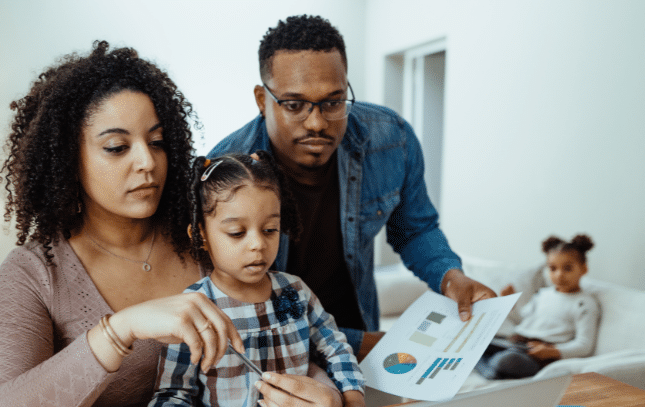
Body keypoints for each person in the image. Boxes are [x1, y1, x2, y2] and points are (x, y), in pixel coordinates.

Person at [0, 41, 346, 407]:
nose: (148, 162)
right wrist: (120, 329)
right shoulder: (35, 272)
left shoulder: (209, 236)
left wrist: (323, 393)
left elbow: (283, 336)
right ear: (68, 158)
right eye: (116, 147)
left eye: (158, 141)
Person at [208, 15, 495, 360]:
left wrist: (450, 277)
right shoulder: (224, 171)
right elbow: (232, 299)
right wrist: (364, 345)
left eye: (333, 101)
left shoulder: (391, 140)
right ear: (261, 99)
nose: (316, 123)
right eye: (295, 105)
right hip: (274, 355)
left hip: (361, 329)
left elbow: (415, 229)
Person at [130, 152, 367, 407]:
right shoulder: (195, 309)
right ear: (200, 235)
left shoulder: (293, 294)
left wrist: (354, 406)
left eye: (270, 229)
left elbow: (336, 349)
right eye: (237, 233)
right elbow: (175, 393)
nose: (258, 244)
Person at [476, 235, 600, 379]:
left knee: (507, 360)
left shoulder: (584, 304)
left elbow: (584, 345)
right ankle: (491, 367)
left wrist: (553, 351)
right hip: (517, 343)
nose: (559, 275)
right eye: (553, 268)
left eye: (567, 268)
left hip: (540, 355)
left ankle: (490, 368)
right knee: (477, 342)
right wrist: (510, 304)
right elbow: (524, 318)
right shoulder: (543, 294)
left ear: (583, 269)